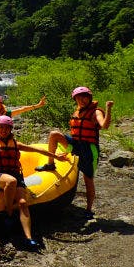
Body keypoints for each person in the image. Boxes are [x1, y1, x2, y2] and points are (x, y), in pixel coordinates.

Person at [0, 115, 68, 250]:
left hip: (15, 174)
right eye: (1, 128)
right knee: (11, 181)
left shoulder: (16, 144)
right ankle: (8, 213)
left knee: (23, 203)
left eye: (6, 128)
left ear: (10, 130)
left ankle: (29, 238)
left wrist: (55, 156)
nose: (3, 130)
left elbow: (38, 150)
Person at [35, 86, 113, 219]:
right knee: (54, 134)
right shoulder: (78, 111)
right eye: (78, 98)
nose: (82, 100)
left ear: (89, 98)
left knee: (88, 179)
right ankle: (50, 164)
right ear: (75, 99)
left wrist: (108, 108)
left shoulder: (96, 112)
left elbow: (104, 125)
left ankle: (88, 210)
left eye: (85, 97)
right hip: (76, 144)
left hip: (89, 149)